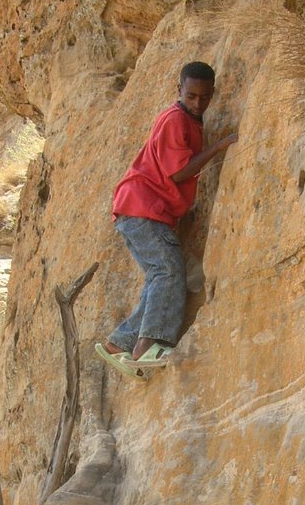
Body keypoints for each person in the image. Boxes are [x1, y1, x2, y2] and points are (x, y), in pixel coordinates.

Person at [95, 60, 238, 379]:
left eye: (204, 97)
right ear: (179, 91)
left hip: (138, 210)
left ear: (213, 94)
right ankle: (147, 346)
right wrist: (220, 146)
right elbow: (177, 172)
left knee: (159, 274)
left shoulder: (187, 120)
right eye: (191, 96)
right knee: (169, 271)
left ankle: (121, 343)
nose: (198, 103)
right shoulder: (175, 119)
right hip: (142, 207)